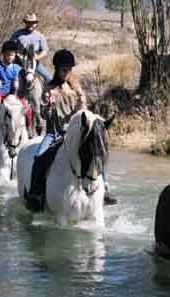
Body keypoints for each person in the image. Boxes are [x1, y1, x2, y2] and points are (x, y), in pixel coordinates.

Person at [26, 49, 117, 211]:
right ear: (56, 69)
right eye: (63, 70)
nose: (66, 73)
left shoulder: (76, 87)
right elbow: (44, 115)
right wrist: (48, 105)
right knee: (39, 158)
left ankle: (105, 189)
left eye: (68, 70)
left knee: (96, 152)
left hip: (75, 133)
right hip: (54, 134)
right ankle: (36, 194)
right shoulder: (48, 88)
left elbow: (83, 113)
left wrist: (81, 103)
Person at [10, 13, 52, 84]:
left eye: (32, 23)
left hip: (34, 63)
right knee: (8, 77)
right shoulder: (17, 34)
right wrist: (17, 54)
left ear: (36, 24)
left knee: (49, 78)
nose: (30, 25)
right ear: (25, 23)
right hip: (18, 63)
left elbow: (45, 51)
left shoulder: (39, 36)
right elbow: (10, 46)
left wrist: (38, 57)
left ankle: (47, 94)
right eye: (28, 22)